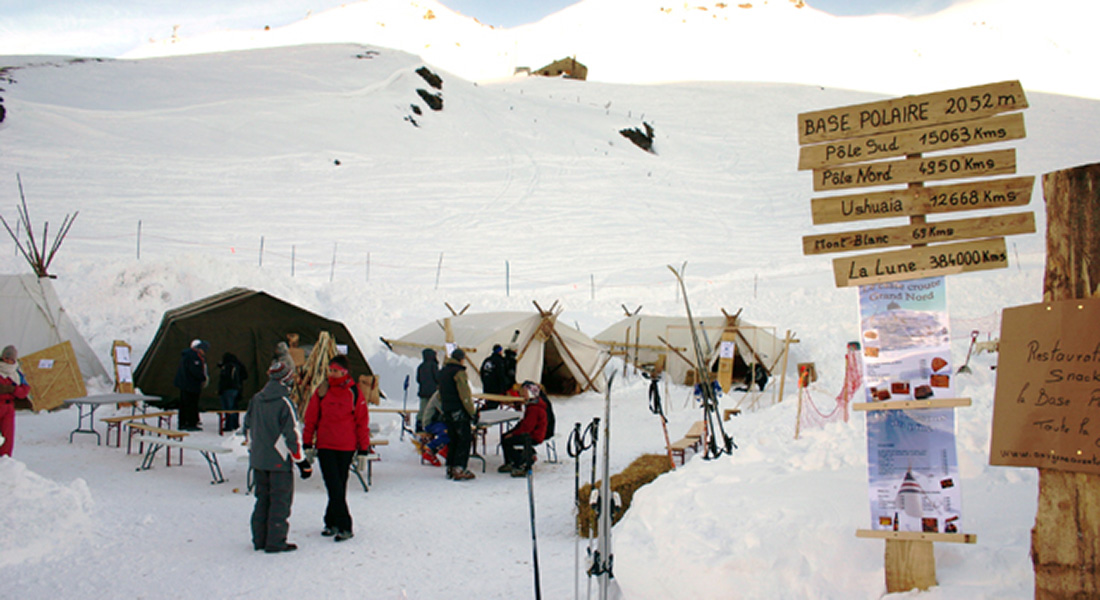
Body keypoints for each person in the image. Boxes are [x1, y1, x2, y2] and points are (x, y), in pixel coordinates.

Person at [244, 360, 311, 553]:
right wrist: (302, 462)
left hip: (259, 459)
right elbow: (292, 434)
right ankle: (275, 540)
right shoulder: (284, 403)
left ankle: (260, 539)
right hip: (278, 461)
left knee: (262, 499)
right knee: (280, 501)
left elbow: (247, 426)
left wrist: (253, 450)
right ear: (286, 380)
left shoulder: (256, 399)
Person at [302, 354, 371, 542]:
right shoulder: (322, 390)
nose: (332, 374)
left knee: (339, 485)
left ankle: (330, 521)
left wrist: (363, 449)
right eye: (330, 370)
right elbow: (311, 418)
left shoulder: (354, 392)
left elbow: (361, 422)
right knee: (333, 485)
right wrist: (307, 443)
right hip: (325, 445)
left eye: (336, 371)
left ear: (345, 372)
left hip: (346, 447)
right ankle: (344, 525)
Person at [439, 348, 476, 481]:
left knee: (453, 439)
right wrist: (472, 412)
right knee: (464, 439)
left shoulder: (443, 372)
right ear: (461, 359)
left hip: (447, 409)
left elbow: (439, 394)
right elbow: (464, 394)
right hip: (458, 410)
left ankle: (450, 466)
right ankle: (459, 468)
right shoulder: (459, 372)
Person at [498, 382, 549, 477]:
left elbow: (527, 427)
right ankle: (511, 461)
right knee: (505, 437)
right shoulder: (533, 404)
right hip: (531, 433)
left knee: (507, 441)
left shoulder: (534, 408)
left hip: (534, 435)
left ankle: (521, 462)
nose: (522, 395)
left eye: (525, 392)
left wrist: (513, 434)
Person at [0, 345, 30, 457]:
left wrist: (13, 389)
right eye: (5, 358)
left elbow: (24, 391)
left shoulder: (16, 374)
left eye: (10, 359)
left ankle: (5, 460)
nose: (7, 361)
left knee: (7, 437)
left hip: (8, 408)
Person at [174, 339, 209, 431]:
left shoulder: (186, 356)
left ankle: (183, 423)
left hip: (184, 384)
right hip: (191, 385)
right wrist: (203, 378)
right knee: (191, 404)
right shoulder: (194, 357)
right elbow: (195, 370)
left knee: (184, 404)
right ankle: (191, 423)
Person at [413, 391, 450, 467]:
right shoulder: (438, 396)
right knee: (447, 433)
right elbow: (446, 411)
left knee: (455, 430)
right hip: (431, 423)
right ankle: (430, 450)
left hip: (440, 422)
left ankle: (445, 449)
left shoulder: (445, 393)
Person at [217, 352, 248, 431]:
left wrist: (221, 389)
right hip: (236, 389)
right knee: (233, 407)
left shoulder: (229, 367)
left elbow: (226, 380)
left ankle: (229, 425)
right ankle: (234, 424)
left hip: (228, 389)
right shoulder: (238, 366)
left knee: (228, 408)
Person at [414, 348, 440, 432]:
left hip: (423, 392)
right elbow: (437, 378)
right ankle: (430, 426)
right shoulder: (434, 365)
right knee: (432, 410)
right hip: (433, 393)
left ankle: (419, 425)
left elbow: (418, 379)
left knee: (423, 410)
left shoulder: (421, 366)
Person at [479, 344, 508, 409]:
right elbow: (501, 375)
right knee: (493, 405)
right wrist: (503, 388)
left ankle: (484, 412)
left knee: (489, 403)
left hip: (487, 386)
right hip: (495, 388)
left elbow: (482, 372)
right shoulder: (499, 361)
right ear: (500, 351)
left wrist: (485, 382)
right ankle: (485, 414)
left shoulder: (487, 360)